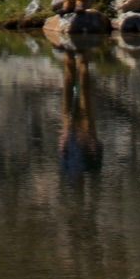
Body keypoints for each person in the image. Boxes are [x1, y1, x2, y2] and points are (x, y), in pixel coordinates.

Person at [58, 51, 103, 183]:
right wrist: (92, 137)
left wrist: (64, 136)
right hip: (85, 133)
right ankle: (76, 56)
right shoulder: (90, 169)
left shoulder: (69, 170)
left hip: (76, 134)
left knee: (73, 92)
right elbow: (97, 150)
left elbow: (62, 151)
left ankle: (75, 56)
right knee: (83, 95)